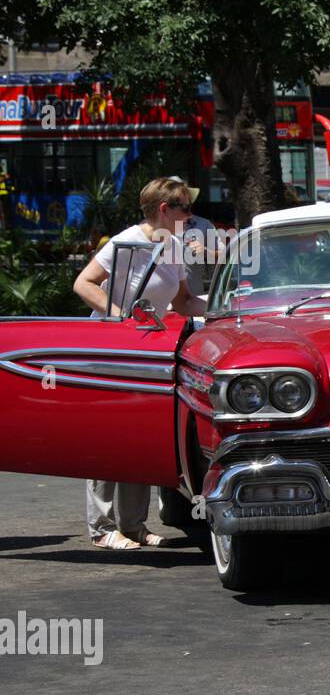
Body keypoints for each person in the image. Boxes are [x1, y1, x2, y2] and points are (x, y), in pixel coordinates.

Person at [71, 177, 207, 550]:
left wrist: (224, 306)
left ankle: (132, 525)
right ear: (165, 209)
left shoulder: (174, 245)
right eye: (184, 206)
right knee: (107, 436)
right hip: (111, 351)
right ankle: (102, 528)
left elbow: (182, 303)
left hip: (147, 352)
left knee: (139, 436)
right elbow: (83, 284)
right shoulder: (125, 241)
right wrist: (121, 318)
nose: (190, 214)